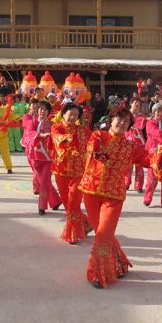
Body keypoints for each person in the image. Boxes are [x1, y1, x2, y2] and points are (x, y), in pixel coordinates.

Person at [79, 107, 162, 288]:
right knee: (102, 234)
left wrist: (161, 152)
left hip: (113, 195)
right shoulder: (98, 136)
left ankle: (96, 273)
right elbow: (93, 148)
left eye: (126, 121)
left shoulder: (131, 147)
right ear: (111, 119)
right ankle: (119, 263)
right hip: (90, 191)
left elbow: (148, 159)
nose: (122, 123)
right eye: (119, 119)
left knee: (103, 234)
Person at [50, 102, 91, 244]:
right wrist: (69, 139)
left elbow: (93, 142)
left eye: (76, 115)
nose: (73, 117)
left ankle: (72, 233)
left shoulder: (83, 130)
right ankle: (86, 223)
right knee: (68, 204)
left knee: (73, 201)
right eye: (70, 114)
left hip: (79, 171)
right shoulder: (57, 127)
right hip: (61, 170)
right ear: (64, 114)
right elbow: (57, 138)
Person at [23, 101, 62, 215]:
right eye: (41, 109)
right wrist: (40, 135)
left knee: (44, 182)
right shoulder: (32, 122)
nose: (43, 111)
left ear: (48, 112)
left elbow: (57, 137)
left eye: (45, 110)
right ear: (37, 110)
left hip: (48, 158)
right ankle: (56, 201)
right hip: (34, 156)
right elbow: (29, 133)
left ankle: (42, 206)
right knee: (44, 182)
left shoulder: (52, 125)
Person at [125, 98, 146, 192]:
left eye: (139, 103)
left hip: (139, 142)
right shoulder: (125, 114)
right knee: (127, 165)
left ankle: (138, 186)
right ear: (131, 103)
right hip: (127, 141)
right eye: (135, 103)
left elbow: (143, 126)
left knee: (139, 165)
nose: (137, 105)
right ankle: (126, 183)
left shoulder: (141, 116)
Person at [21, 99, 40, 194]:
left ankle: (37, 187)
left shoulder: (40, 116)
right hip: (28, 143)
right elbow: (28, 126)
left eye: (37, 104)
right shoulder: (26, 116)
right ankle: (39, 181)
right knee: (33, 166)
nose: (35, 106)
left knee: (36, 166)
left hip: (38, 144)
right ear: (29, 106)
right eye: (33, 104)